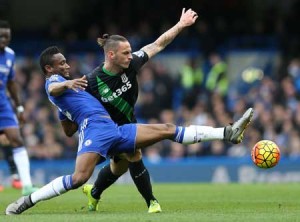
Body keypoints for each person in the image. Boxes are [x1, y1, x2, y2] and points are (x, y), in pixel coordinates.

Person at [5, 46, 253, 215]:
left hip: (112, 127)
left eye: (66, 62)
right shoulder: (54, 82)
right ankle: (29, 200)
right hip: (96, 130)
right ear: (49, 69)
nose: (67, 66)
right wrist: (67, 85)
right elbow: (53, 90)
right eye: (61, 64)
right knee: (79, 177)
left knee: (165, 130)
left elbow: (68, 129)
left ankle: (226, 133)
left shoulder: (69, 94)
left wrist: (68, 111)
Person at [84, 8, 198, 213]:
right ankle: (152, 202)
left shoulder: (131, 64)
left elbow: (157, 44)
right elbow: (74, 104)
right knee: (134, 154)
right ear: (111, 54)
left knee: (119, 168)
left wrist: (181, 24)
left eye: (130, 51)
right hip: (109, 129)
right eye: (125, 52)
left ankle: (94, 194)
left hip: (127, 122)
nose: (130, 55)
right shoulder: (91, 81)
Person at [0, 20, 37, 195]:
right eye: (0, 36)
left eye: (6, 36)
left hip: (3, 104)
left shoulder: (10, 55)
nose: (3, 39)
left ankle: (27, 186)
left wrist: (20, 108)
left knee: (16, 139)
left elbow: (11, 83)